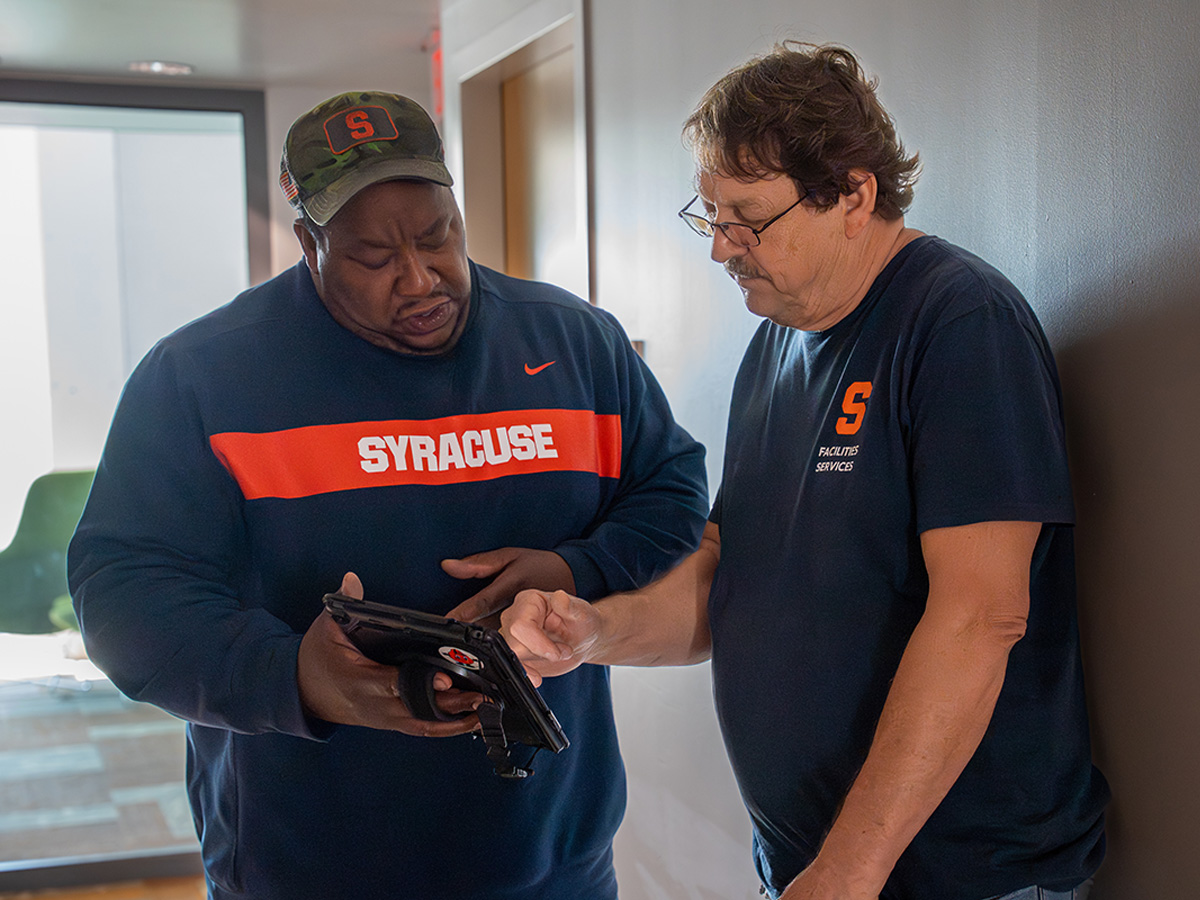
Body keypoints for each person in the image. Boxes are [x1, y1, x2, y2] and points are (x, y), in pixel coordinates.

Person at [503, 42, 1109, 900]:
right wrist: (594, 633)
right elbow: (725, 576)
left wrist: (852, 869)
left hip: (953, 874)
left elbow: (983, 618)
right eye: (709, 214)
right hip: (814, 869)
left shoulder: (960, 324)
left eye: (747, 217)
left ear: (854, 196)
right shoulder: (774, 342)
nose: (721, 248)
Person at [67, 91, 708, 900]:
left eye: (438, 235)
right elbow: (122, 594)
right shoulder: (202, 378)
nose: (420, 277)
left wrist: (577, 569)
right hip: (305, 864)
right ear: (309, 243)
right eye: (373, 256)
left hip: (551, 862)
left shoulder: (576, 343)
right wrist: (291, 674)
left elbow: (672, 487)